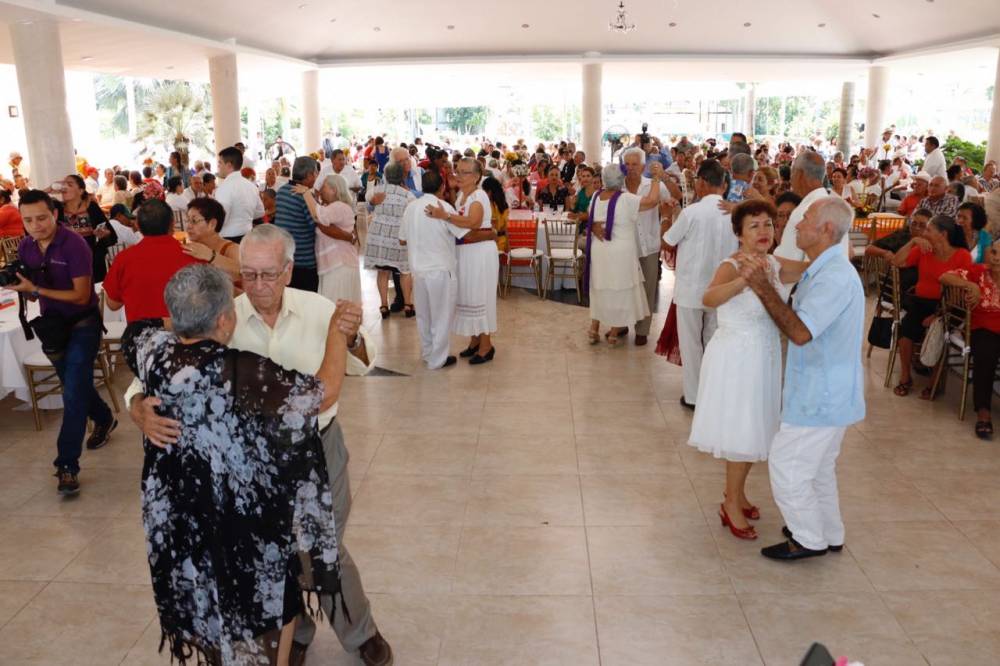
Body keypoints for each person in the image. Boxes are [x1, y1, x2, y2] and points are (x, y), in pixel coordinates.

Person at [126, 225, 393, 666]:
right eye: (248, 275)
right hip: (247, 474)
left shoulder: (319, 309)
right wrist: (138, 409)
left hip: (318, 452)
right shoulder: (218, 316)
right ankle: (296, 633)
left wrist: (352, 333)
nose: (258, 285)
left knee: (319, 547)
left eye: (268, 274)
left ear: (288, 271)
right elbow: (147, 381)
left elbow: (357, 367)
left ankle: (360, 630)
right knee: (274, 556)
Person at [738, 196, 865, 560]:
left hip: (821, 394)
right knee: (819, 467)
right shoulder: (823, 268)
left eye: (803, 219)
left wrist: (761, 286)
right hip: (827, 389)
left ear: (826, 229)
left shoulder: (835, 277)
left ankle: (808, 538)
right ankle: (828, 530)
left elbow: (801, 331)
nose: (794, 226)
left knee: (787, 465)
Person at [691, 200, 805, 540]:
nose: (764, 231)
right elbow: (708, 299)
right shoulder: (733, 264)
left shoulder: (773, 262)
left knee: (756, 429)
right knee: (742, 432)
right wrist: (743, 281)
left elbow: (813, 268)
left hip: (764, 357)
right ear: (739, 234)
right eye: (754, 226)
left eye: (768, 224)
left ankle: (738, 495)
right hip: (737, 358)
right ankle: (730, 504)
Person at [9, 190, 117, 495]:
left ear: (54, 214)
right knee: (77, 385)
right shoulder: (27, 246)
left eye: (41, 217)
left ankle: (67, 465)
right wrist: (25, 288)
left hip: (84, 322)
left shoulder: (74, 244)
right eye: (28, 220)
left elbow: (82, 296)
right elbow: (33, 291)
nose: (35, 225)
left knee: (72, 393)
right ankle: (104, 417)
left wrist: (37, 291)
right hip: (52, 326)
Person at [663, 159, 740, 408]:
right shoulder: (734, 213)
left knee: (690, 343)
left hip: (691, 288)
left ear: (703, 183)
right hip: (721, 289)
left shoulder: (692, 212)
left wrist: (666, 217)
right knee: (713, 339)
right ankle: (713, 391)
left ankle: (694, 396)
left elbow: (668, 242)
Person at [425, 158, 499, 364]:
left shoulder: (479, 195)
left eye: (464, 172)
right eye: (458, 171)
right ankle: (475, 340)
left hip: (480, 254)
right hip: (466, 252)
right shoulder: (461, 197)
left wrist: (445, 216)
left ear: (476, 177)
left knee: (480, 296)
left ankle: (486, 346)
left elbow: (474, 222)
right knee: (468, 295)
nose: (458, 175)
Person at [398, 171, 475, 369]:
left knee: (424, 315)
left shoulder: (411, 207)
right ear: (442, 188)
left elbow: (402, 239)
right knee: (441, 316)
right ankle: (438, 359)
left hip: (418, 269)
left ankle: (427, 352)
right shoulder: (444, 207)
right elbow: (462, 233)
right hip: (440, 268)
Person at [891, 214, 973, 398]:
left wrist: (939, 315)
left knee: (937, 332)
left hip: (949, 307)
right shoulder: (924, 249)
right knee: (906, 332)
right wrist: (913, 243)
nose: (924, 232)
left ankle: (934, 383)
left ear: (942, 234)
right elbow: (897, 262)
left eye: (928, 229)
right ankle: (905, 377)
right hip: (921, 302)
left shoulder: (962, 256)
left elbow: (961, 293)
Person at [585, 163, 661, 345]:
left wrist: (594, 226)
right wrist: (656, 178)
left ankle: (594, 329)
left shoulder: (596, 196)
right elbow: (651, 201)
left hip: (599, 250)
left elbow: (591, 218)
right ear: (621, 180)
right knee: (620, 289)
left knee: (600, 287)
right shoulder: (626, 199)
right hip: (620, 252)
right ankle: (613, 333)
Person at [940, 237, 1000, 439]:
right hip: (982, 328)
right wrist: (969, 285)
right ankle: (983, 412)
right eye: (994, 252)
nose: (997, 258)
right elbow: (945, 277)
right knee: (986, 354)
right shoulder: (978, 272)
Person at [103, 199, 199, 323]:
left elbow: (113, 304)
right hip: (187, 335)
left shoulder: (124, 259)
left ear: (137, 225)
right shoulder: (194, 255)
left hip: (141, 338)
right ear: (172, 223)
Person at [774, 151, 851, 262]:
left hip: (814, 278)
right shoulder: (833, 204)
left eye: (792, 173)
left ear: (799, 174)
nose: (791, 180)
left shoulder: (805, 211)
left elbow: (786, 261)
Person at [364, 162, 416, 317]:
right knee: (404, 271)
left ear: (385, 175)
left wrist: (373, 203)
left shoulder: (376, 190)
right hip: (399, 236)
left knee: (383, 271)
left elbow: (368, 204)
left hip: (378, 236)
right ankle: (407, 304)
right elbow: (412, 214)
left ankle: (383, 306)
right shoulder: (408, 194)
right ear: (402, 176)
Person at [306, 173, 362, 304]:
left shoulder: (339, 206)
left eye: (324, 187)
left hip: (339, 264)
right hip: (335, 264)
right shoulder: (334, 207)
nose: (320, 190)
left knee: (335, 307)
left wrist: (306, 194)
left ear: (334, 190)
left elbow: (318, 216)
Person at [56, 173, 118, 283]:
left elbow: (112, 235)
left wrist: (104, 234)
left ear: (80, 191)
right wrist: (50, 189)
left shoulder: (91, 207)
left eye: (69, 184)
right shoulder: (57, 209)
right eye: (63, 185)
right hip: (66, 265)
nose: (64, 187)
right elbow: (34, 202)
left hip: (91, 264)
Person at [275, 156, 321, 291]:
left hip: (285, 258)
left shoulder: (282, 191)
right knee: (307, 304)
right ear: (308, 175)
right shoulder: (304, 197)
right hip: (304, 261)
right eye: (315, 173)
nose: (317, 177)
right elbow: (316, 225)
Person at [181, 197, 242, 283]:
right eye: (187, 220)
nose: (188, 226)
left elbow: (246, 272)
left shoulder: (232, 249)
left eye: (194, 221)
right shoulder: (192, 248)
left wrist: (211, 256)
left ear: (212, 224)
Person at [215, 146, 265, 243]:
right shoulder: (251, 186)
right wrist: (244, 218)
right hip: (248, 236)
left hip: (228, 240)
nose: (218, 166)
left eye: (220, 163)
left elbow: (222, 219)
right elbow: (260, 211)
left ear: (229, 165)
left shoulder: (224, 188)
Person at [481, 175, 509, 253]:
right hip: (502, 241)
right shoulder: (503, 204)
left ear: (489, 192)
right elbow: (505, 226)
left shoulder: (486, 204)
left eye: (484, 191)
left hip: (490, 241)